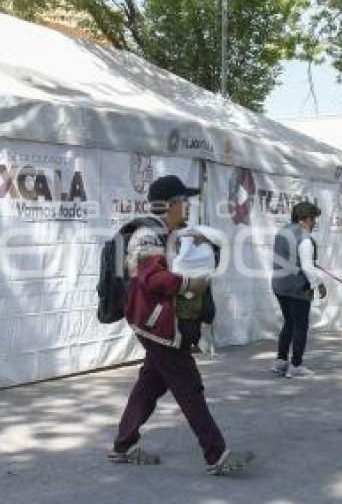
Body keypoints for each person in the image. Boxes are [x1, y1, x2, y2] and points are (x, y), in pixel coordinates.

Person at [108, 175, 253, 476]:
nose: (187, 207)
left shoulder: (171, 232)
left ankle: (124, 445)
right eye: (183, 202)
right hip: (158, 326)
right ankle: (217, 456)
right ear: (169, 205)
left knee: (150, 383)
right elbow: (153, 278)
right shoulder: (147, 236)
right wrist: (190, 284)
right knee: (189, 388)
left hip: (159, 322)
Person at [271, 201, 326, 378]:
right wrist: (319, 284)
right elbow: (308, 267)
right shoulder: (305, 238)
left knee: (289, 322)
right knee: (300, 326)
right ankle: (295, 365)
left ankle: (280, 362)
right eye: (313, 219)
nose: (315, 223)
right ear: (305, 219)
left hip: (279, 285)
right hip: (297, 287)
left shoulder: (282, 232)